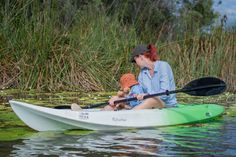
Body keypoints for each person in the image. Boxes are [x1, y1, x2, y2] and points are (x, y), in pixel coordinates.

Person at [129, 44, 177, 109]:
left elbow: (165, 94)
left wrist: (148, 95)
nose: (135, 63)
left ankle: (131, 116)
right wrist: (134, 95)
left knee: (151, 100)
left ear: (141, 57)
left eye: (135, 60)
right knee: (119, 99)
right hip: (150, 104)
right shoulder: (142, 74)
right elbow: (141, 92)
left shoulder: (163, 66)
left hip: (167, 104)